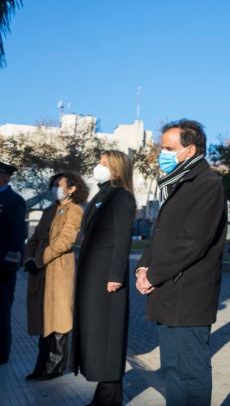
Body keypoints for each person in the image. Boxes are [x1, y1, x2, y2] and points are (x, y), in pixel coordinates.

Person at [135, 119, 227, 406]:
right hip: (169, 294)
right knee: (173, 371)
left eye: (167, 148)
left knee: (191, 373)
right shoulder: (178, 183)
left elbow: (193, 241)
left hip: (188, 297)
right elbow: (160, 233)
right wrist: (143, 267)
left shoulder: (207, 184)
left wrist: (154, 275)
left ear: (189, 150)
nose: (161, 154)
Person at [73, 151, 137, 406]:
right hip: (92, 275)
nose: (97, 166)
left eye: (103, 163)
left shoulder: (121, 197)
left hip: (107, 278)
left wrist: (115, 275)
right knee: (97, 334)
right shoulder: (101, 195)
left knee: (108, 334)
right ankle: (104, 395)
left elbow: (123, 240)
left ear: (116, 168)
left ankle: (110, 398)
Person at [24, 171, 87, 380]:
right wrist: (28, 259)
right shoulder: (50, 209)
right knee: (43, 318)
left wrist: (39, 259)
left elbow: (65, 241)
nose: (55, 189)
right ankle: (41, 365)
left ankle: (55, 366)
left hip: (58, 269)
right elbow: (34, 239)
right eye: (53, 185)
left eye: (59, 185)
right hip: (40, 272)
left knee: (59, 318)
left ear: (72, 188)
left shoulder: (75, 210)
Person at [0, 160, 26, 364]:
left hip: (2, 268)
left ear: (6, 176)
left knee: (1, 311)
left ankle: (1, 354)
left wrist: (9, 264)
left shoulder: (13, 200)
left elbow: (17, 237)